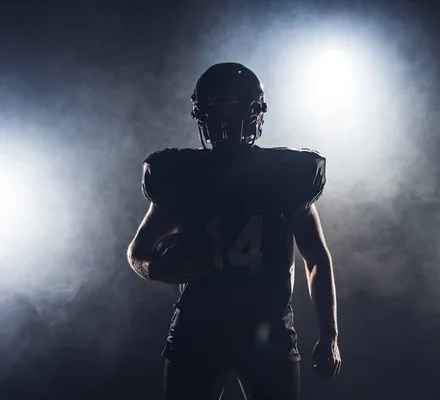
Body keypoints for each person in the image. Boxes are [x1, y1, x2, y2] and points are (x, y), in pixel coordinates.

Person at [126, 62, 341, 400]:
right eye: (218, 112)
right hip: (200, 327)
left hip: (265, 328)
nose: (225, 122)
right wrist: (155, 268)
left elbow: (316, 257)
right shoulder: (196, 177)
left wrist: (330, 335)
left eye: (232, 111)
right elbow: (138, 251)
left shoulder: (277, 177)